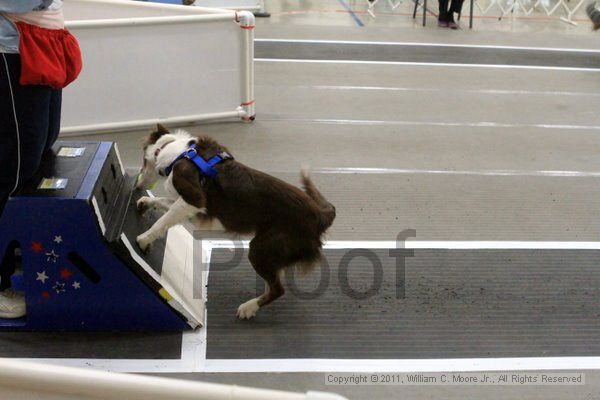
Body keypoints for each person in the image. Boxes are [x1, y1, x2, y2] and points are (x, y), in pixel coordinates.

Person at [0, 0, 81, 318]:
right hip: (10, 49)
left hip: (36, 41)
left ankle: (12, 242)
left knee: (41, 148)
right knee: (13, 166)